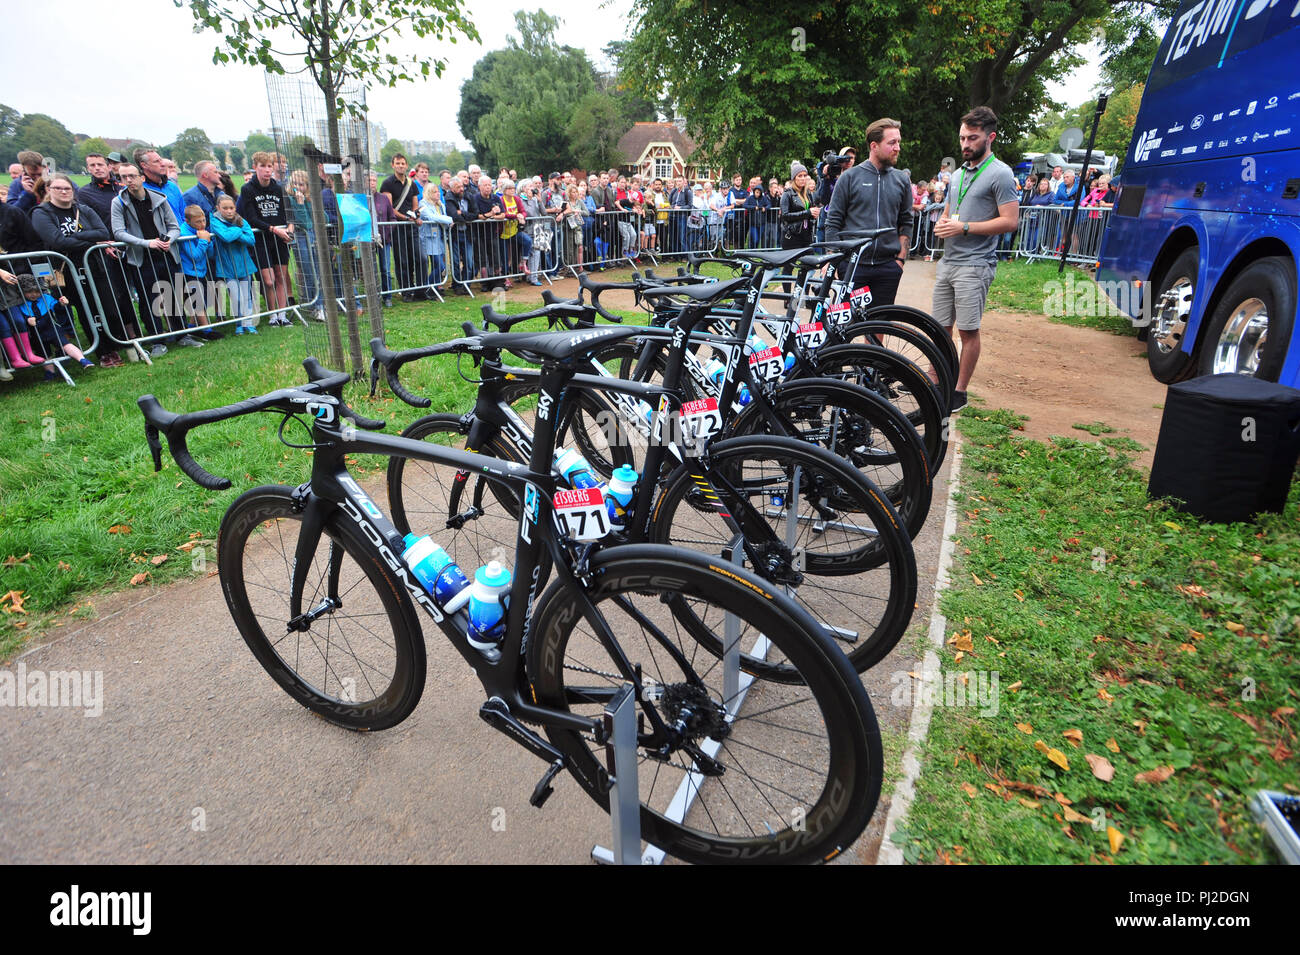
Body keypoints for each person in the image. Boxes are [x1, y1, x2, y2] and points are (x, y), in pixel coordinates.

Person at [930, 106, 1020, 412]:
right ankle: (935, 379)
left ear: (990, 137)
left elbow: (1010, 221)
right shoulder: (956, 174)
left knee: (968, 331)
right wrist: (943, 224)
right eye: (962, 138)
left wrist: (965, 227)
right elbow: (948, 212)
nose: (965, 144)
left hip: (975, 265)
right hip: (949, 262)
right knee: (939, 328)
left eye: (972, 138)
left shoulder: (1001, 173)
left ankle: (959, 390)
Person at [823, 118, 914, 309]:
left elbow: (906, 220)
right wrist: (832, 261)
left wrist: (900, 259)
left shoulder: (901, 180)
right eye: (892, 143)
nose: (897, 147)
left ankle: (873, 341)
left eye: (898, 142)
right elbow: (833, 221)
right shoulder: (849, 177)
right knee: (845, 327)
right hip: (852, 266)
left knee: (878, 325)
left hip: (888, 267)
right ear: (874, 145)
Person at [111, 163, 192, 355]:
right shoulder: (119, 203)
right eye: (123, 177)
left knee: (174, 295)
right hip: (141, 259)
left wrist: (168, 240)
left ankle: (182, 335)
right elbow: (118, 232)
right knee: (149, 300)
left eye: (132, 176)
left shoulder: (159, 199)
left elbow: (174, 226)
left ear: (142, 178)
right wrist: (146, 243)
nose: (128, 180)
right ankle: (157, 340)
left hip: (166, 255)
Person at [237, 151, 294, 326]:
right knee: (268, 280)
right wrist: (273, 230)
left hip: (280, 239)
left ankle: (282, 314)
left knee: (281, 276)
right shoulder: (247, 189)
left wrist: (289, 230)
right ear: (255, 168)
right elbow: (251, 217)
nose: (267, 170)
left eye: (270, 166)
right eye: (263, 166)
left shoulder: (278, 188)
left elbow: (289, 213)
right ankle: (272, 314)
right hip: (261, 239)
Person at [16, 274, 93, 377]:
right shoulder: (20, 304)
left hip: (52, 328)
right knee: (44, 353)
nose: (34, 294)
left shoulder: (46, 298)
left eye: (37, 291)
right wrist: (27, 320)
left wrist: (61, 304)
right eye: (29, 292)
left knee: (65, 344)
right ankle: (50, 372)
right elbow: (18, 319)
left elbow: (56, 307)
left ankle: (82, 359)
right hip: (36, 334)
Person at [208, 194, 259, 333]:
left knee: (246, 295)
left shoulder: (241, 219)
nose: (229, 211)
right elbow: (226, 237)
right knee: (236, 296)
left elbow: (251, 239)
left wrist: (234, 233)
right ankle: (239, 324)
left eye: (231, 208)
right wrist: (237, 230)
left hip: (244, 264)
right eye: (225, 208)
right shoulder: (214, 221)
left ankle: (248, 323)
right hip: (227, 265)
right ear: (218, 208)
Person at [381, 154, 424, 301]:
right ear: (392, 165)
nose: (401, 166)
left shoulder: (411, 183)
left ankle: (420, 289)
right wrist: (405, 218)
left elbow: (415, 204)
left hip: (411, 226)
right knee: (402, 260)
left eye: (403, 163)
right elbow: (390, 208)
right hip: (398, 227)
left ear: (406, 165)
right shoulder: (387, 183)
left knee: (419, 257)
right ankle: (406, 291)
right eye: (398, 163)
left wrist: (415, 216)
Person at [418, 185, 452, 291]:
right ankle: (426, 286)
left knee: (439, 265)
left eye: (438, 192)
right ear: (429, 193)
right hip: (429, 239)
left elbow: (442, 218)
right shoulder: (423, 203)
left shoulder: (440, 205)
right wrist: (449, 219)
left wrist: (446, 221)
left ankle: (434, 288)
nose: (438, 194)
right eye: (434, 192)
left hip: (441, 238)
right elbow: (430, 217)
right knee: (440, 266)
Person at [182, 161, 226, 227]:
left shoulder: (221, 195)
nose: (219, 176)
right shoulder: (189, 197)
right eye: (215, 172)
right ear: (205, 175)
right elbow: (186, 223)